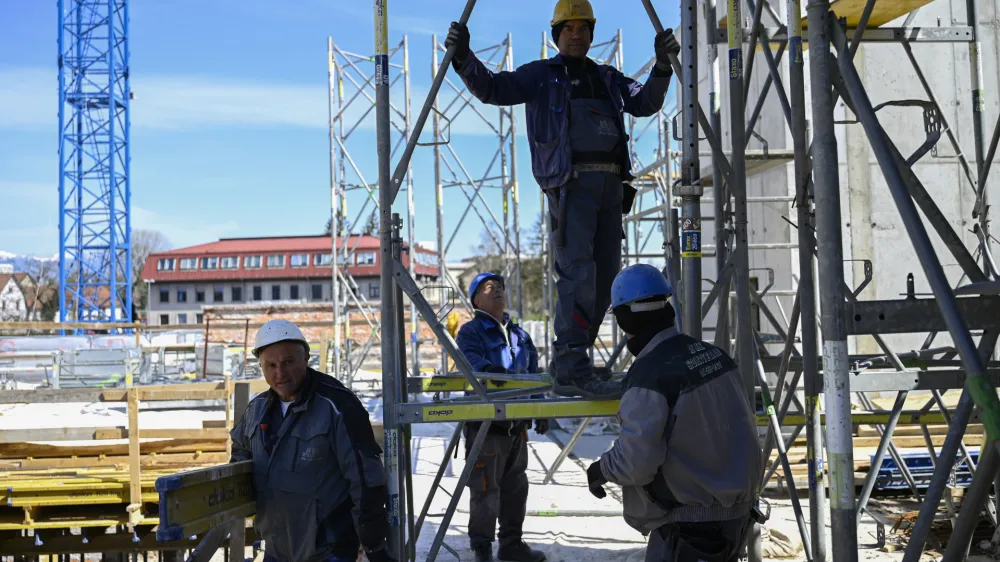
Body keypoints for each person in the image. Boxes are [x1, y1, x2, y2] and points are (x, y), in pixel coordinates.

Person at [444, 0, 680, 399]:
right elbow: (494, 89)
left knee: (606, 280)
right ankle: (572, 366)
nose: (575, 34)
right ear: (556, 36)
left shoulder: (607, 78)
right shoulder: (541, 76)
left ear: (591, 34)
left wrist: (660, 67)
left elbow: (645, 103)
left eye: (582, 28)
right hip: (571, 186)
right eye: (567, 28)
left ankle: (576, 360)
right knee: (578, 277)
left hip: (610, 188)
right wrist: (464, 58)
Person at [585, 264, 762, 561]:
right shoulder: (715, 356)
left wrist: (600, 470)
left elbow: (635, 463)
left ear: (625, 320)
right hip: (738, 518)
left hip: (690, 529)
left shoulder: (650, 374)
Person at [230, 319, 395, 562]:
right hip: (276, 548)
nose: (280, 373)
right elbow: (240, 454)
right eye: (270, 365)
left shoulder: (337, 405)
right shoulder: (256, 411)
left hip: (329, 548)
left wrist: (372, 543)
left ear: (306, 356)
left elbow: (365, 479)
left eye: (288, 362)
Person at [455, 272, 548, 562]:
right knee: (485, 489)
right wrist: (504, 377)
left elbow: (535, 375)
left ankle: (511, 544)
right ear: (476, 299)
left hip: (516, 427)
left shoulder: (520, 335)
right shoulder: (471, 333)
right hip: (487, 427)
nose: (497, 290)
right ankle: (482, 548)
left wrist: (541, 407)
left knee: (515, 488)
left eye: (500, 287)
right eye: (488, 287)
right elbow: (474, 365)